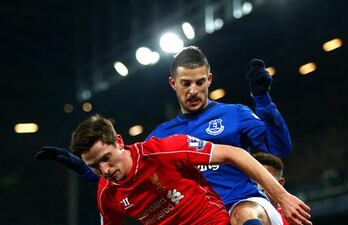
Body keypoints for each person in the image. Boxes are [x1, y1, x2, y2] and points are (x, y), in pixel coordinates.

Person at [36, 46, 306, 225]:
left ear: (209, 80)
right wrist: (86, 169)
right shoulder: (161, 138)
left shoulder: (234, 114)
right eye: (186, 83)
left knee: (242, 215)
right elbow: (128, 169)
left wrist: (263, 101)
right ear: (172, 84)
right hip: (201, 216)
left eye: (200, 82)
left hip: (244, 207)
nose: (193, 91)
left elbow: (280, 146)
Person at [66, 114, 310, 225]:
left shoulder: (164, 150)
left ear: (119, 141)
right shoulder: (106, 194)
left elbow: (235, 153)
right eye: (95, 166)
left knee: (246, 214)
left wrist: (282, 196)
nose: (105, 169)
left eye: (106, 158)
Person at [252, 152, 288, 225]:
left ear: (280, 183)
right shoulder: (231, 215)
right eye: (253, 180)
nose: (259, 187)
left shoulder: (292, 220)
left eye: (265, 181)